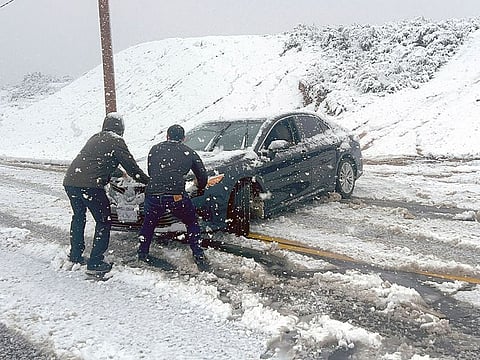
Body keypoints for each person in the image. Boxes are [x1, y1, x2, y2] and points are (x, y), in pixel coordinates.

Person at [63, 112, 150, 274]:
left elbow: (99, 161)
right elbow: (132, 167)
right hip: (91, 186)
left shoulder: (96, 137)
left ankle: (75, 255)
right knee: (104, 221)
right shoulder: (116, 141)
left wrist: (119, 173)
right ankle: (95, 262)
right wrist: (149, 182)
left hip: (71, 181)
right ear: (121, 128)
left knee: (78, 217)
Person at [137, 124, 208, 268]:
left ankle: (142, 253)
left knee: (149, 223)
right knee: (191, 221)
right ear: (184, 138)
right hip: (176, 195)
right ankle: (198, 254)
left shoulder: (155, 149)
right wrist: (200, 189)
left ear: (167, 136)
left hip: (153, 194)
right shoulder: (188, 152)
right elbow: (202, 176)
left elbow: (152, 171)